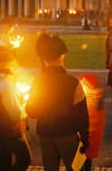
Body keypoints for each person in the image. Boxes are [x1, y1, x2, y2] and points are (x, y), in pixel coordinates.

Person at [25, 36, 89, 171]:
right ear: (62, 56)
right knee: (74, 168)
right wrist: (85, 138)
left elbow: (32, 112)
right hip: (67, 134)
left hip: (46, 134)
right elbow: (82, 114)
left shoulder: (37, 82)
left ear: (44, 59)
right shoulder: (73, 83)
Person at [0, 50, 31, 171]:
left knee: (3, 161)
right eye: (13, 65)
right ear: (9, 66)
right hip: (11, 129)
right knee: (25, 159)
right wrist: (23, 103)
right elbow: (14, 109)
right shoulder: (6, 84)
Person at [78, 73, 106, 171]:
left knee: (80, 163)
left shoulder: (88, 100)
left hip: (84, 140)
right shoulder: (98, 99)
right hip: (92, 141)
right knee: (88, 160)